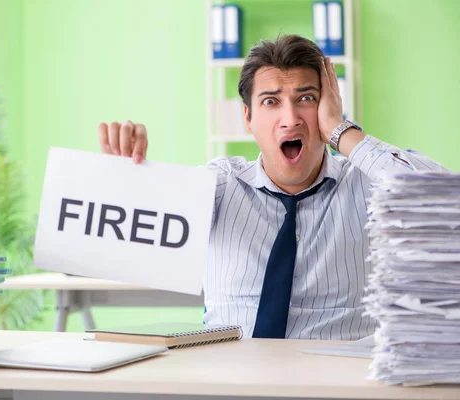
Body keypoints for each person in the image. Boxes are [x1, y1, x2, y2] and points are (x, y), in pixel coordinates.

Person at [97, 34, 446, 340]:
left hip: (338, 385)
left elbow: (442, 199)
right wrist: (129, 175)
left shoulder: (367, 185)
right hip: (232, 382)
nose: (290, 118)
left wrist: (340, 131)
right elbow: (134, 230)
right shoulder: (221, 185)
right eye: (271, 101)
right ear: (247, 118)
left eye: (307, 98)